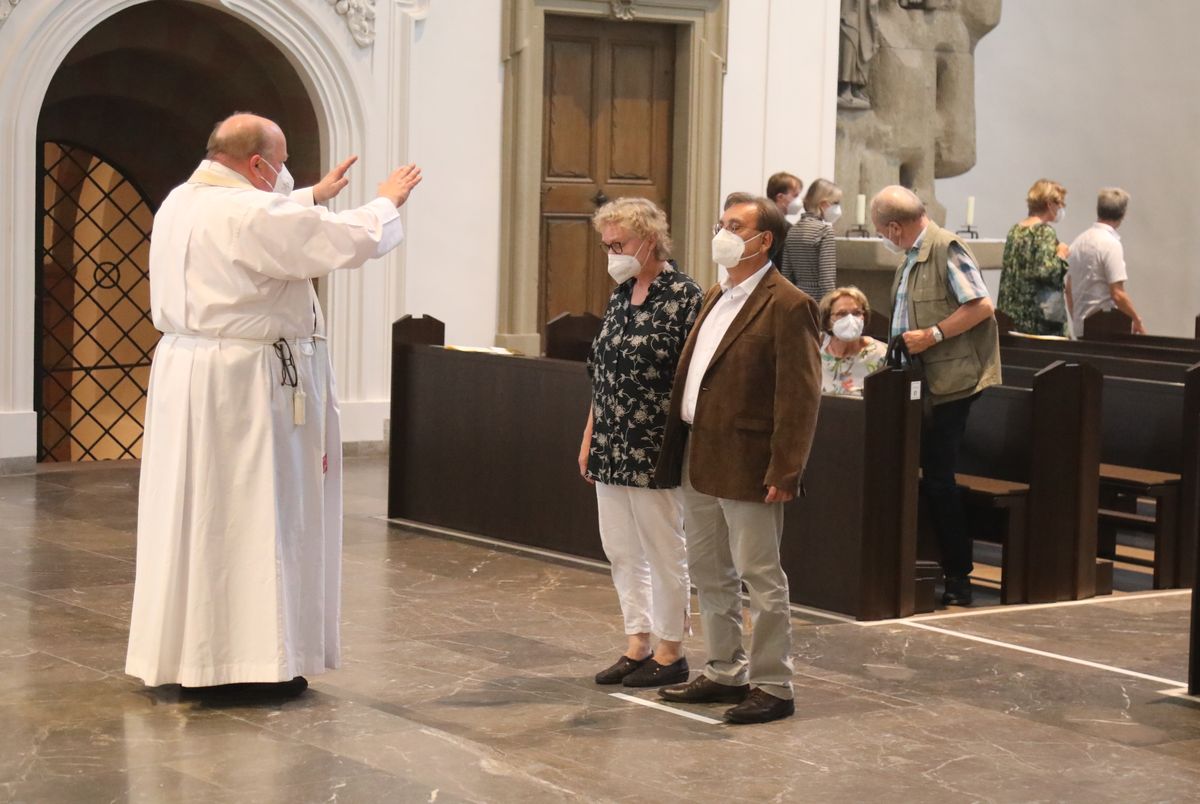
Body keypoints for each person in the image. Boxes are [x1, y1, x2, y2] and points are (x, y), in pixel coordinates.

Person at [125, 113, 421, 697]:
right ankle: (250, 663)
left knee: (197, 514)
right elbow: (339, 240)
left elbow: (275, 223)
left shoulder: (182, 201)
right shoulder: (251, 212)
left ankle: (193, 657)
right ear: (257, 165)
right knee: (253, 515)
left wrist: (313, 194)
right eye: (281, 165)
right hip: (245, 388)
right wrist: (386, 203)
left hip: (190, 373)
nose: (286, 176)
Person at [655, 193, 822, 724]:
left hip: (751, 460)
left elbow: (799, 397)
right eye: (720, 222)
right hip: (699, 452)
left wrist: (786, 468)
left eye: (733, 225)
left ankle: (774, 683)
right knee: (709, 571)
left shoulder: (788, 303)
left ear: (763, 239)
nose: (721, 232)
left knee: (760, 574)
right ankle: (726, 668)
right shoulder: (716, 294)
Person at [579, 198, 703, 688]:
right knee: (622, 549)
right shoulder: (620, 294)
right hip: (611, 440)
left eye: (620, 244)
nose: (612, 253)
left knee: (664, 549)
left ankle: (672, 650)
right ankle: (639, 641)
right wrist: (590, 435)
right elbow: (602, 372)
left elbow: (690, 377)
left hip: (654, 444)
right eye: (607, 245)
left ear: (650, 239)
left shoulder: (685, 296)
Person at [871, 185, 1000, 607]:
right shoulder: (910, 257)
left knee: (939, 480)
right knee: (910, 474)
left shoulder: (947, 248)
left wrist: (934, 334)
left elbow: (981, 305)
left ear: (894, 226)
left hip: (950, 385)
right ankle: (909, 565)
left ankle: (958, 576)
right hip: (915, 384)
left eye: (882, 231)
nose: (883, 238)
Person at [1066, 188, 1145, 337]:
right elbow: (1117, 294)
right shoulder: (1110, 244)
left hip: (1081, 328)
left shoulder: (1077, 242)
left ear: (1098, 209)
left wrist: (1078, 321)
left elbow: (1068, 290)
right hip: (1104, 328)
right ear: (1123, 214)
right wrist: (1137, 319)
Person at [997, 179, 1071, 336]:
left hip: (1011, 315)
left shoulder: (1015, 230)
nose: (1061, 208)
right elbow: (1046, 272)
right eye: (1060, 204)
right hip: (1037, 319)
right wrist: (1061, 255)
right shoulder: (1044, 232)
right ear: (1049, 203)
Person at [818, 286, 887, 397]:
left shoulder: (883, 355)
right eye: (842, 314)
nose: (850, 319)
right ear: (827, 321)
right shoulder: (814, 355)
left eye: (856, 313)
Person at [781, 178, 843, 300]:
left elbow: (786, 274)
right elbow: (827, 278)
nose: (838, 208)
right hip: (818, 299)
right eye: (836, 203)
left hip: (796, 297)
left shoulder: (793, 230)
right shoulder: (825, 231)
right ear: (824, 204)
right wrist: (831, 305)